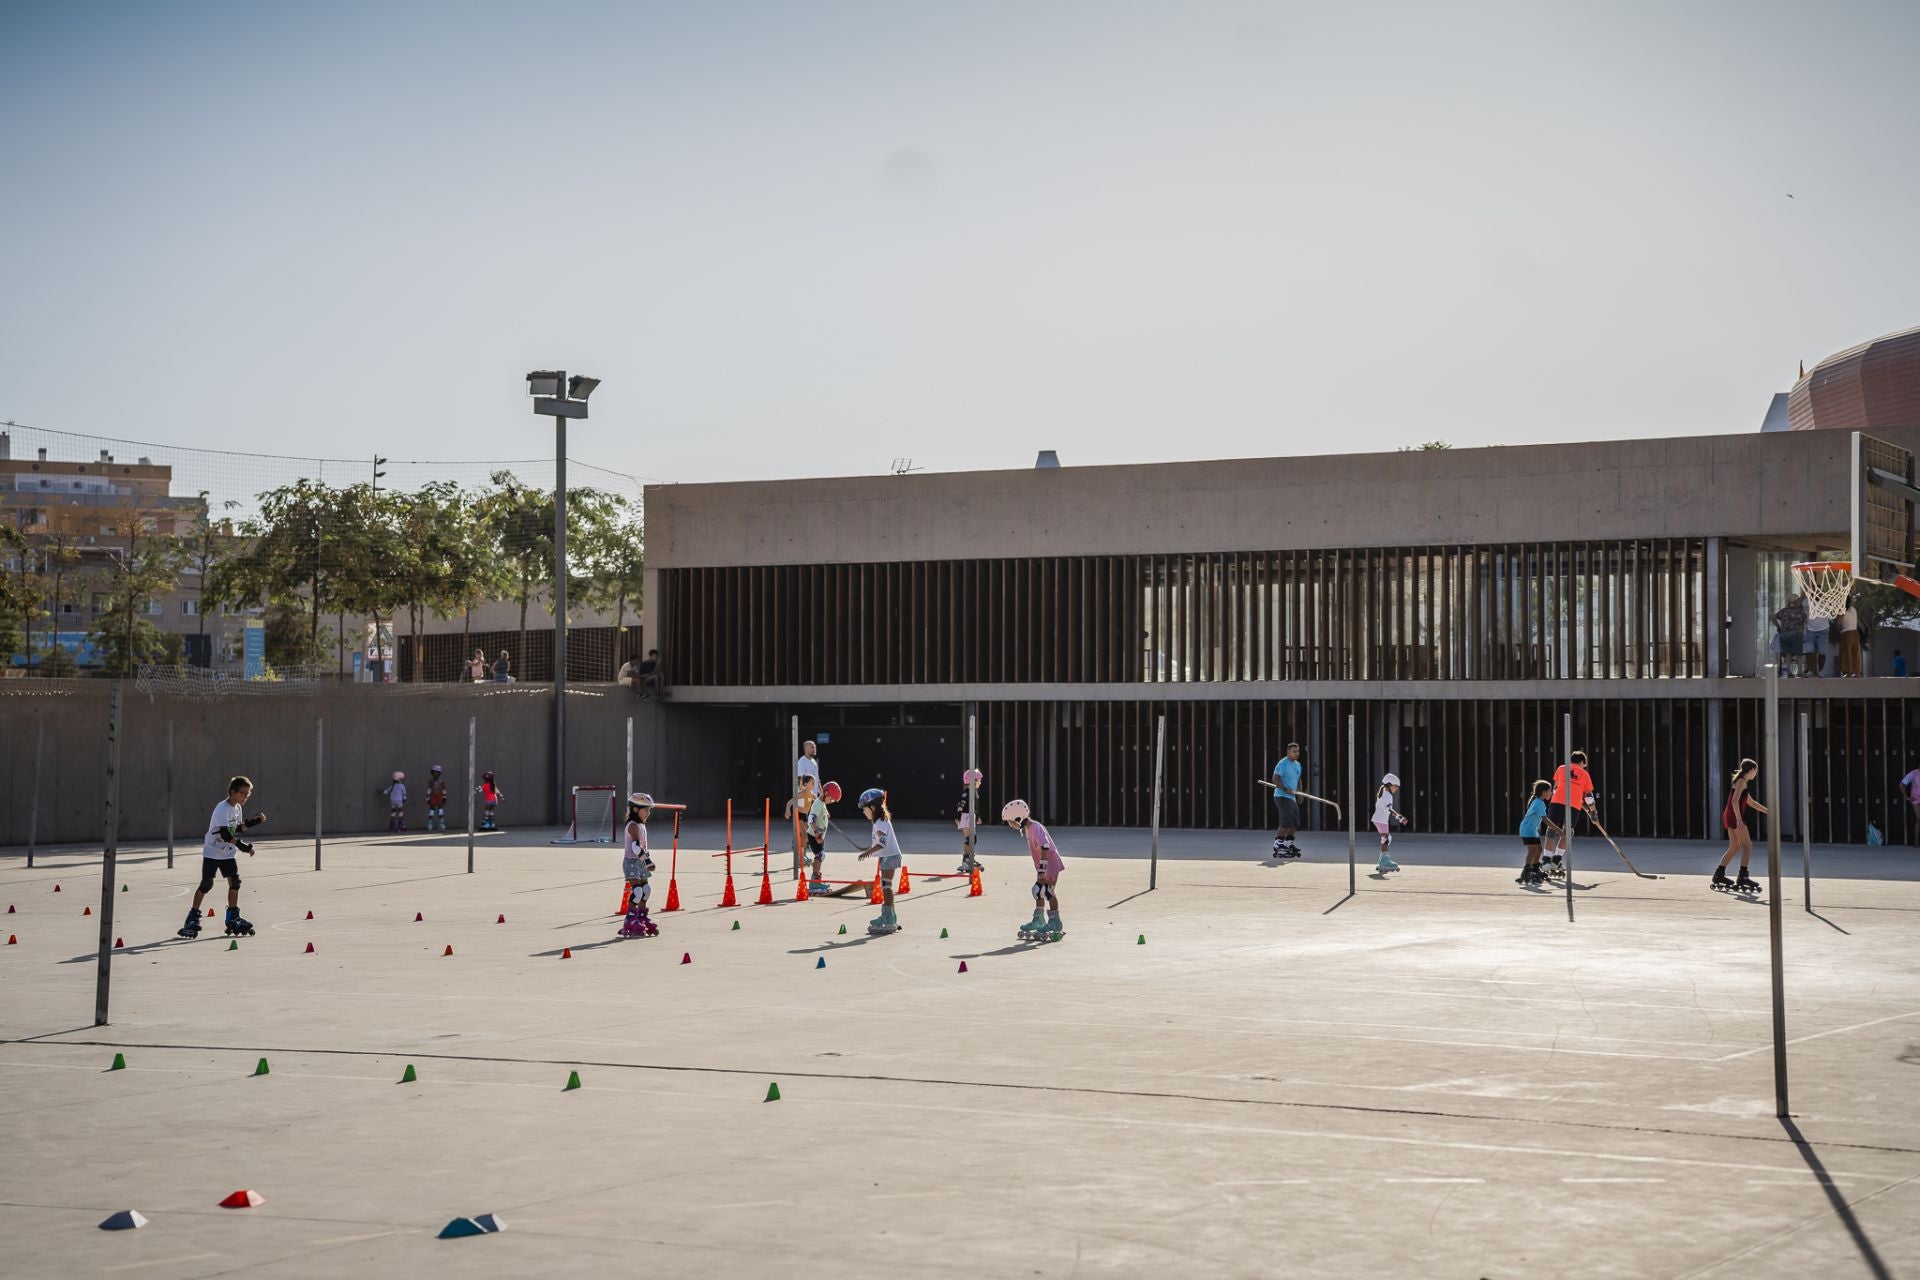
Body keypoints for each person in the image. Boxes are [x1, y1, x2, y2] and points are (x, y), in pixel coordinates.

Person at [177, 775, 268, 939]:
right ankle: (192, 918)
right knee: (206, 884)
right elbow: (225, 834)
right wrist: (243, 847)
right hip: (212, 850)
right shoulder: (222, 809)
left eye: (248, 794)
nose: (246, 796)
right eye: (243, 793)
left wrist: (254, 822)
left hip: (227, 853)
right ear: (232, 792)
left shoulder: (237, 808)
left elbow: (236, 829)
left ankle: (232, 917)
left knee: (235, 883)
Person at [1003, 798, 1065, 941]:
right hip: (1044, 866)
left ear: (1018, 818)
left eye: (1010, 822)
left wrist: (1042, 870)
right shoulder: (1028, 828)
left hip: (1050, 864)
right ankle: (1039, 919)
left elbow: (1045, 846)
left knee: (1048, 891)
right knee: (1038, 892)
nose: (1011, 826)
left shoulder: (1035, 827)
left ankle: (1055, 922)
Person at [1712, 758, 1768, 895]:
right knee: (1748, 846)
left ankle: (1719, 874)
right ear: (1751, 770)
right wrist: (1738, 820)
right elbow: (1735, 801)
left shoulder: (1742, 782)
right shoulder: (1741, 782)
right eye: (1756, 771)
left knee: (1734, 847)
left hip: (1730, 815)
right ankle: (1743, 877)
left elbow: (1752, 803)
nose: (1756, 773)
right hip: (1734, 817)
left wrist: (1768, 811)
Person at [853, 788, 903, 936]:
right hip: (889, 856)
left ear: (872, 807)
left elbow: (882, 842)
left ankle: (888, 920)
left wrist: (867, 852)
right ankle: (890, 916)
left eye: (865, 809)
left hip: (889, 856)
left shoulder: (879, 822)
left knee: (886, 887)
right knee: (886, 886)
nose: (863, 812)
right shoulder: (880, 821)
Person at [1541, 750, 1596, 876]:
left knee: (1551, 830)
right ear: (1582, 762)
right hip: (1573, 806)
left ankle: (1546, 861)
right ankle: (1556, 860)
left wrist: (1580, 802)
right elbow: (1588, 797)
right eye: (1584, 764)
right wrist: (1593, 812)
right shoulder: (1584, 774)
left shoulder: (1561, 769)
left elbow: (1556, 788)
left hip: (1557, 802)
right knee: (1567, 832)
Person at [617, 793, 660, 938]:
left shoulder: (641, 825)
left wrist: (647, 859)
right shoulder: (633, 826)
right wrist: (647, 861)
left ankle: (641, 917)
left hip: (640, 861)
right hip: (631, 862)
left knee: (646, 890)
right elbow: (636, 847)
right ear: (635, 810)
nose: (648, 813)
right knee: (637, 892)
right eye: (645, 810)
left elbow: (643, 847)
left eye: (649, 810)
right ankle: (629, 919)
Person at [1516, 780, 1561, 888]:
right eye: (1550, 791)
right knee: (1532, 850)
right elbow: (1545, 820)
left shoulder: (1537, 801)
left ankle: (1535, 869)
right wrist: (1558, 830)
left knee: (1538, 849)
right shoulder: (1539, 803)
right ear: (1543, 792)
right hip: (1528, 829)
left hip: (1530, 829)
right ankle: (1527, 872)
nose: (1552, 793)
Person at [1270, 742, 1304, 859]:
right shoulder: (1282, 764)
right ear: (1288, 752)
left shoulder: (1298, 765)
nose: (1296, 754)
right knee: (1286, 820)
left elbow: (1299, 780)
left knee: (1295, 822)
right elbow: (1275, 779)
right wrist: (1285, 789)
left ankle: (1288, 844)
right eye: (1294, 751)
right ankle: (1278, 844)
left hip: (1292, 797)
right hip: (1281, 796)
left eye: (1298, 751)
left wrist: (1300, 793)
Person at [1371, 773, 1408, 873]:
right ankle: (1384, 862)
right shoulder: (1387, 795)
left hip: (1379, 819)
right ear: (1389, 784)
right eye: (1396, 786)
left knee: (1387, 839)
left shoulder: (1383, 792)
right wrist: (1400, 817)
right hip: (1381, 820)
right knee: (1386, 840)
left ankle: (1382, 861)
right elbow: (1390, 810)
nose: (1396, 789)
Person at [1774, 595, 1808, 677]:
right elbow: (1807, 621)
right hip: (1796, 635)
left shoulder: (1784, 611)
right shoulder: (1800, 611)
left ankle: (1789, 671)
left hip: (1784, 635)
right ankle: (1800, 671)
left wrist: (1778, 627)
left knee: (1787, 653)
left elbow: (1773, 617)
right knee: (1799, 654)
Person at [1837, 603, 1862, 677]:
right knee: (1855, 653)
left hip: (1846, 633)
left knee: (1847, 653)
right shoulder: (1853, 609)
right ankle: (1857, 672)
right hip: (1855, 632)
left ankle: (1849, 672)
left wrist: (1838, 628)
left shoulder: (1841, 610)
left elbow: (1839, 623)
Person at [1805, 608, 1831, 677]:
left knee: (1822, 651)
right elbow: (1798, 605)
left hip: (1823, 629)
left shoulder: (1825, 600)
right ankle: (1810, 671)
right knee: (1809, 650)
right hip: (1810, 628)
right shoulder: (1807, 600)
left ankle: (1820, 671)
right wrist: (1802, 597)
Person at [424, 765, 448, 832]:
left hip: (439, 796)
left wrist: (444, 797)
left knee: (440, 810)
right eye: (434, 773)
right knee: (432, 810)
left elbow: (443, 789)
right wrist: (428, 797)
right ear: (432, 773)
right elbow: (429, 789)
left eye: (437, 773)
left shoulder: (441, 781)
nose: (435, 774)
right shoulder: (431, 781)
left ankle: (441, 824)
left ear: (439, 773)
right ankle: (430, 824)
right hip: (433, 796)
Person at [1900, 765, 1920, 836]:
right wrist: (1906, 797)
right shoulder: (1914, 773)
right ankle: (1916, 842)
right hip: (1916, 799)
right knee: (1919, 819)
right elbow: (1902, 784)